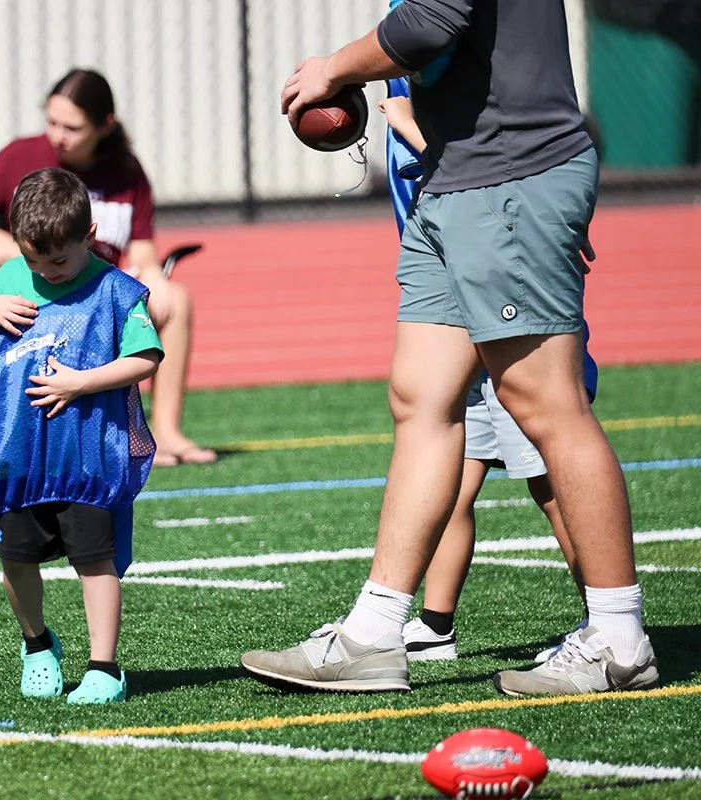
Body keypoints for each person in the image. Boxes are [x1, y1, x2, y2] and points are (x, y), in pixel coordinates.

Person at [241, 0, 656, 697]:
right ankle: (374, 635)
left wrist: (332, 69)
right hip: (456, 181)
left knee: (546, 403)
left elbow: (429, 24)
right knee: (421, 399)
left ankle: (618, 638)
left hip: (507, 177)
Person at [379, 84, 591, 662]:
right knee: (449, 478)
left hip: (505, 294)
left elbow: (480, 172)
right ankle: (434, 626)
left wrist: (408, 126)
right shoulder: (413, 76)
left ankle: (606, 622)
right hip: (454, 303)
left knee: (550, 482)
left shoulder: (473, 83)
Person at [0, 68, 216, 468]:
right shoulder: (20, 156)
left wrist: (152, 275)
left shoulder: (126, 171)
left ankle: (166, 431)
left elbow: (141, 250)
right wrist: (4, 245)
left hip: (100, 293)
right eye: (51, 122)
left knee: (176, 297)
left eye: (71, 128)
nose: (57, 136)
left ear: (105, 126)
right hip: (41, 295)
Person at [0, 168, 161, 704]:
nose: (45, 272)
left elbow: (146, 358)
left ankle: (104, 667)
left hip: (88, 461)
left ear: (89, 235)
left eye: (58, 261)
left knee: (95, 561)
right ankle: (37, 645)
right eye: (33, 260)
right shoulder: (6, 280)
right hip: (20, 458)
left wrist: (80, 383)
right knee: (16, 559)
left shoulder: (115, 290)